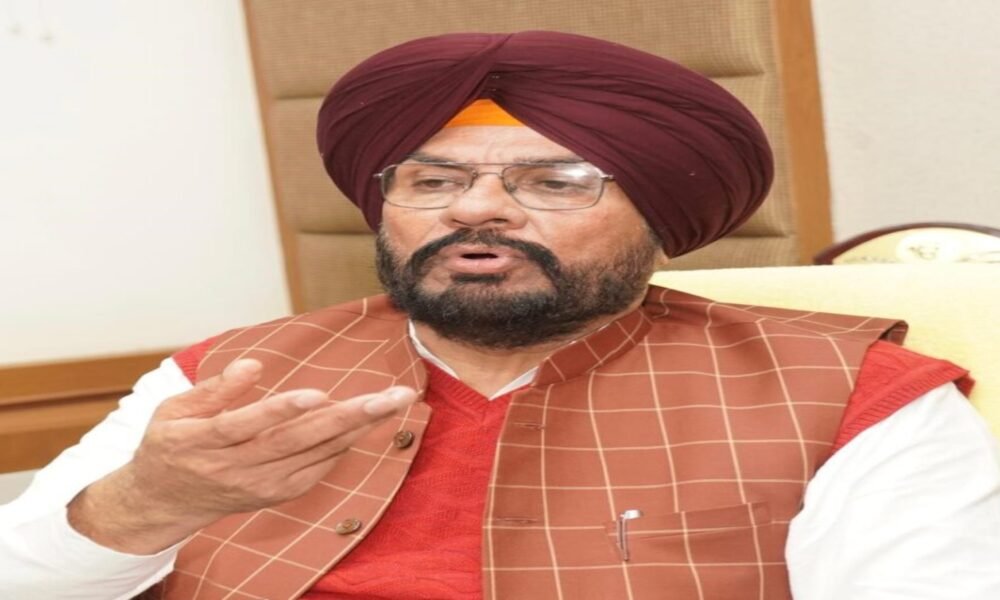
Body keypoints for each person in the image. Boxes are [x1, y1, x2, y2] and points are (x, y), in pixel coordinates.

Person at [2, 31, 999, 600]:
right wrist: (145, 504)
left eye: (555, 182)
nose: (477, 210)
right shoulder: (222, 378)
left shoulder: (854, 396)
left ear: (660, 218)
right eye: (432, 180)